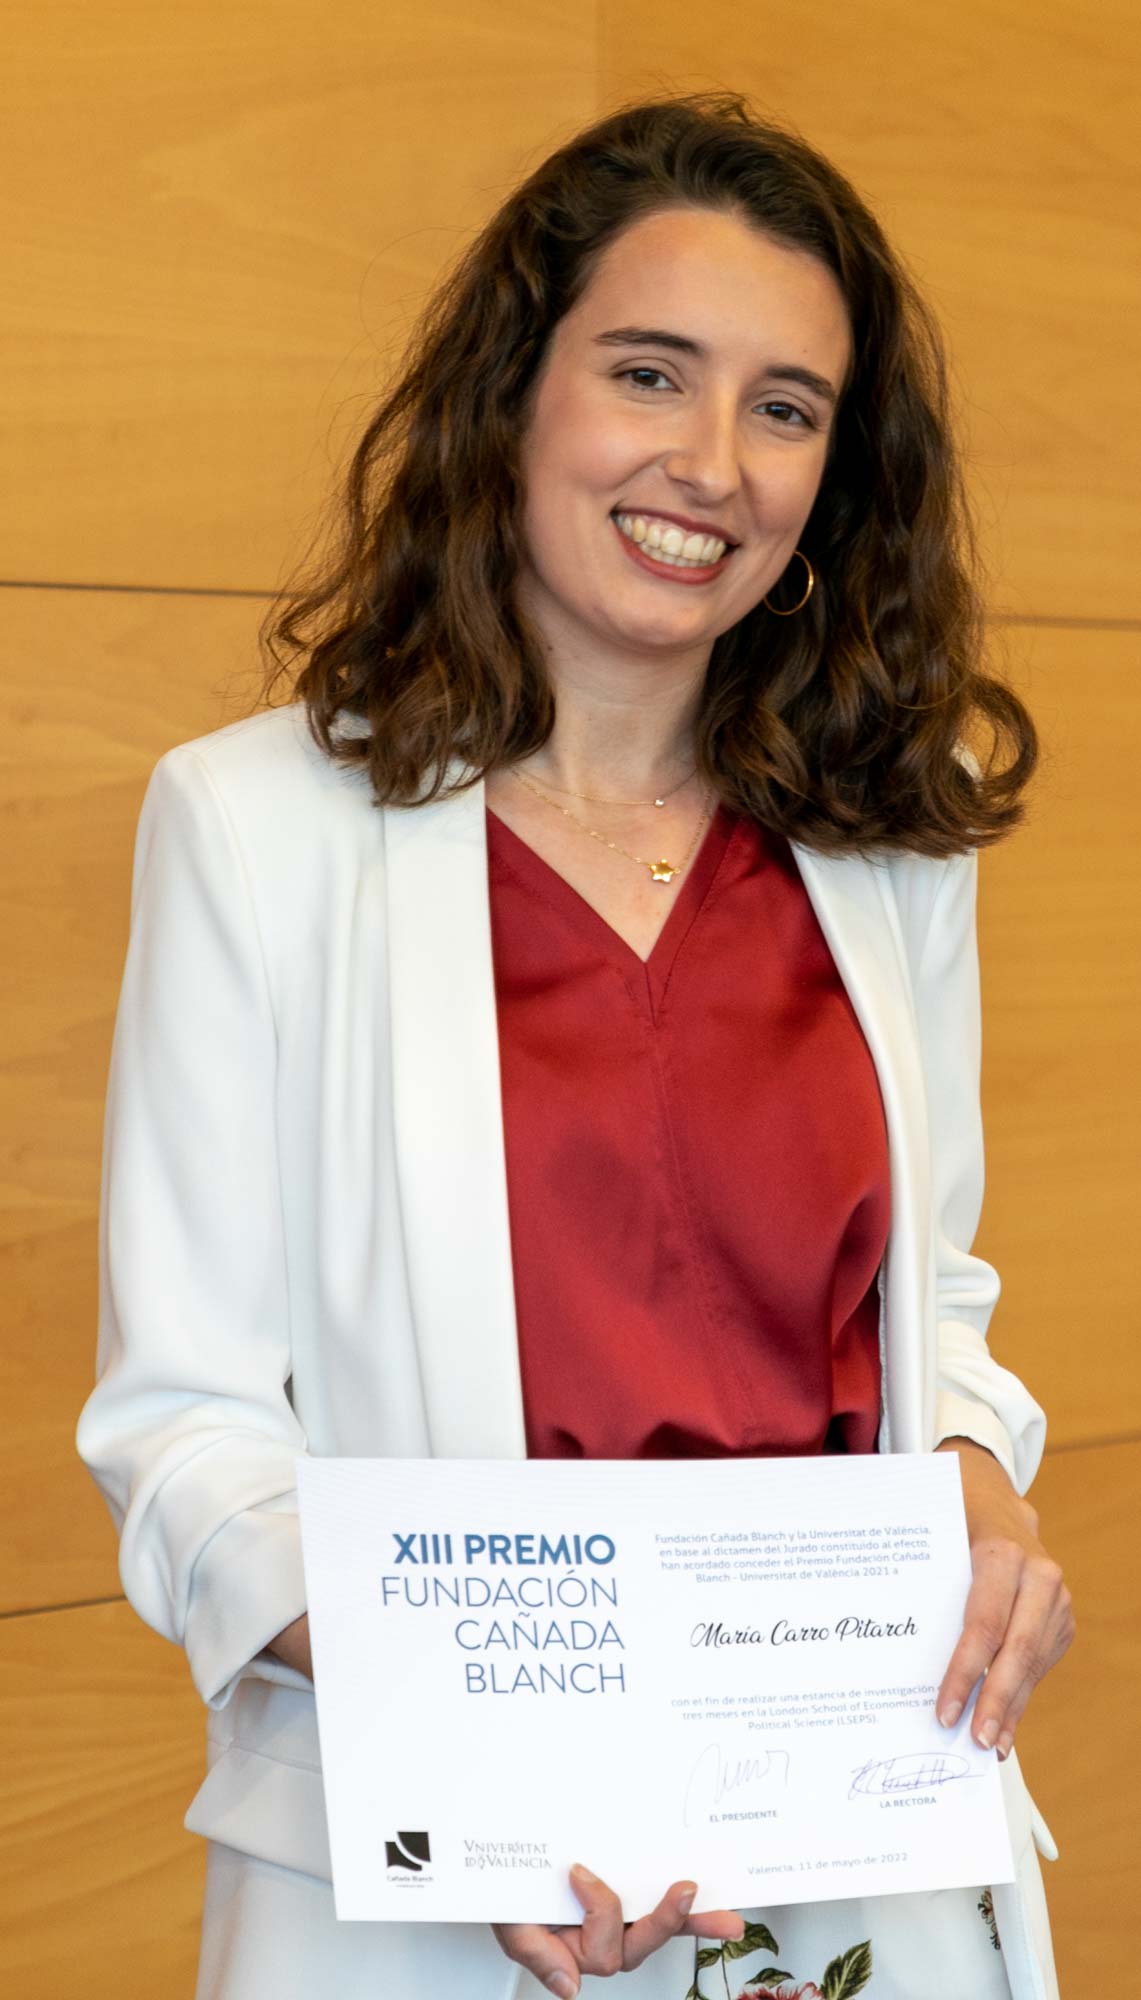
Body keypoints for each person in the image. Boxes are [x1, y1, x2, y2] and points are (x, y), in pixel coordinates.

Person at [77, 91, 1074, 2000]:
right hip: (452, 1871)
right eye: (647, 372)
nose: (710, 463)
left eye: (786, 408)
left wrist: (972, 1472)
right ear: (511, 397)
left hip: (859, 1842)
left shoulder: (890, 844)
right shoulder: (256, 827)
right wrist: (479, 1743)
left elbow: (931, 1303)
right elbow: (187, 1427)